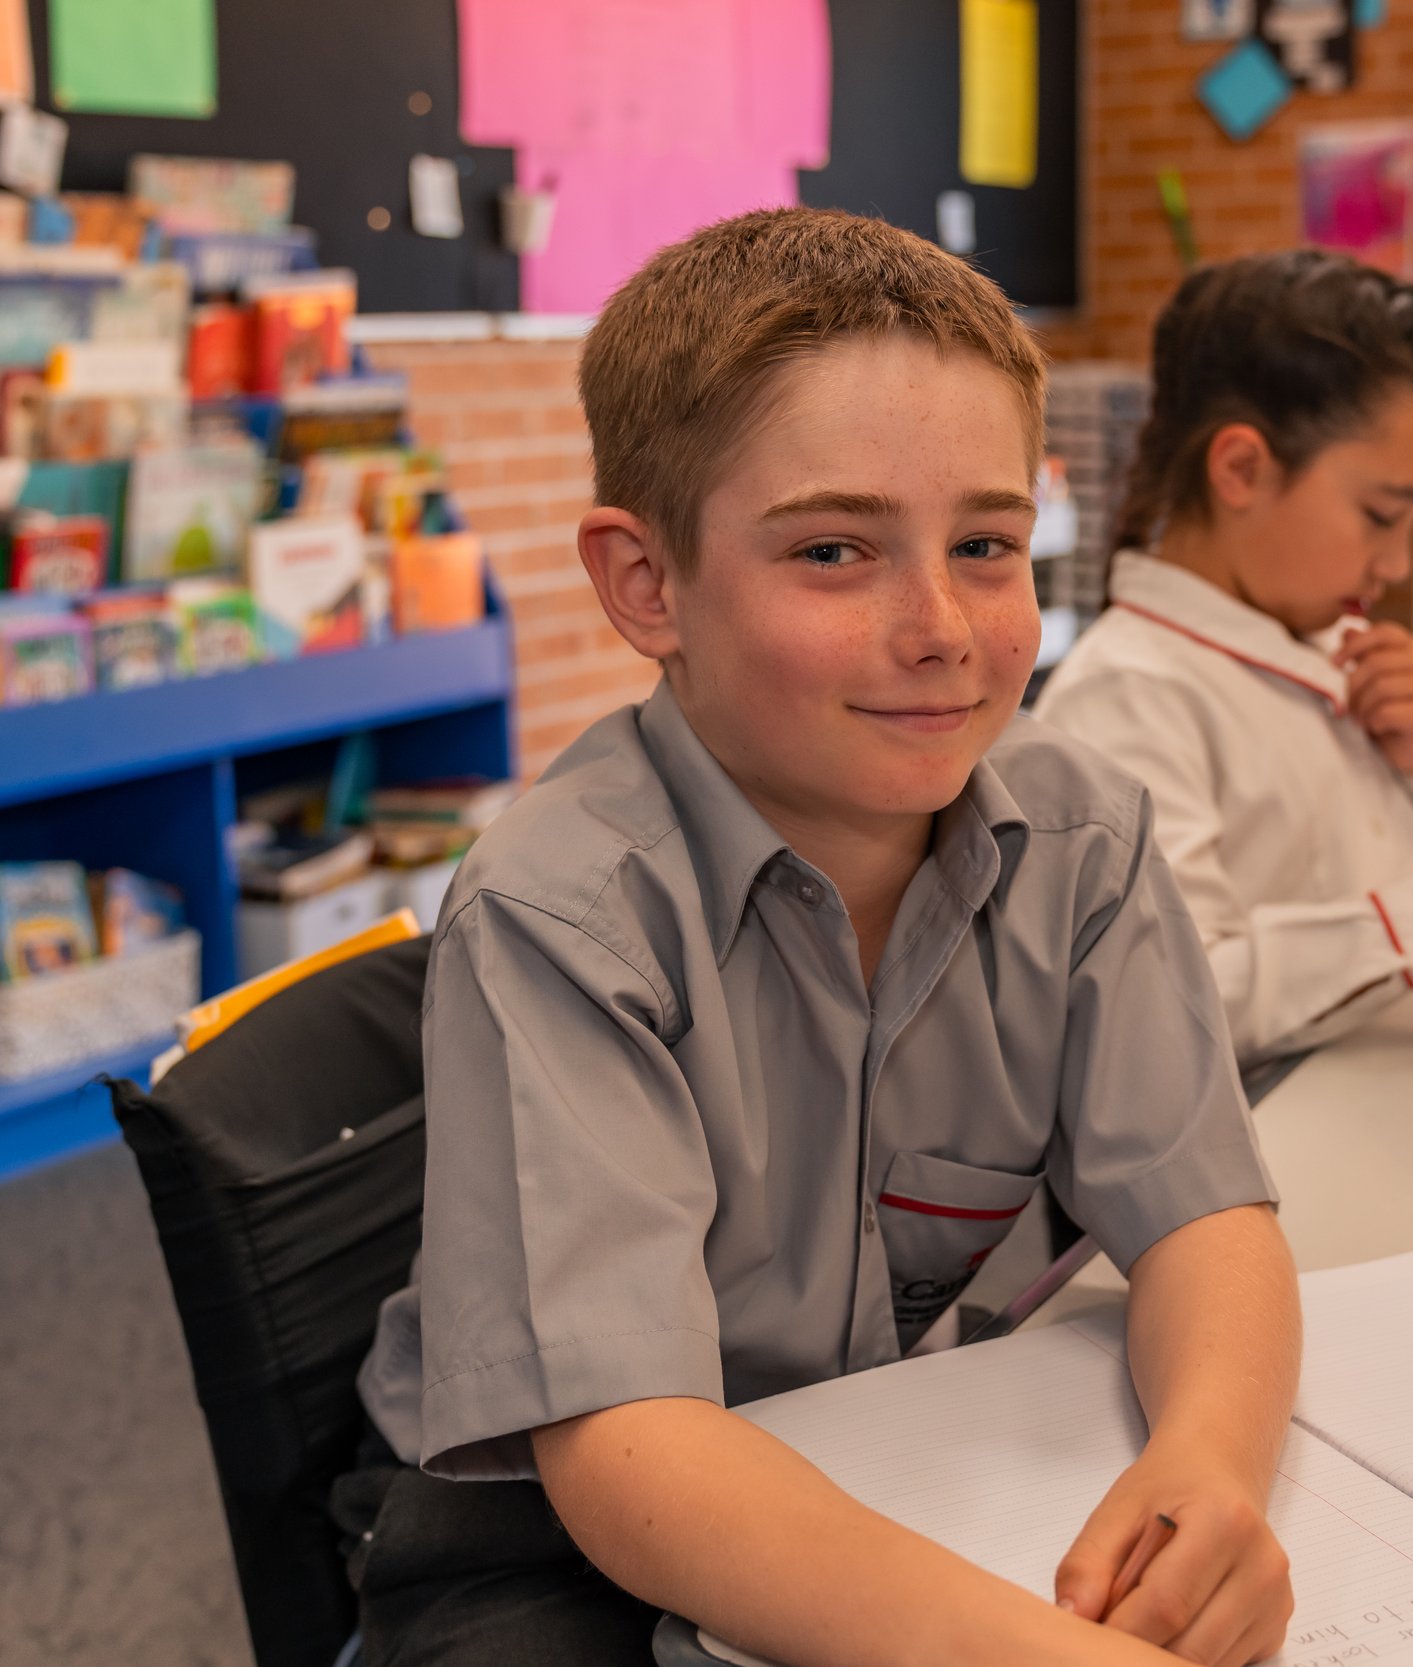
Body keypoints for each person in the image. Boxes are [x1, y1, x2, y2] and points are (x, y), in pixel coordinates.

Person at [340, 208, 1301, 1667]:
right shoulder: (563, 914)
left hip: (895, 1439)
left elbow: (1205, 1217)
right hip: (571, 1521)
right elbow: (627, 1448)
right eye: (837, 550)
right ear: (646, 585)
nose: (941, 627)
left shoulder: (1082, 835)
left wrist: (1210, 1467)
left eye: (987, 543)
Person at [1035, 251, 1413, 1064]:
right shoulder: (1128, 696)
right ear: (1242, 469)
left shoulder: (1334, 649)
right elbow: (1175, 999)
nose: (1398, 564)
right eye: (1381, 514)